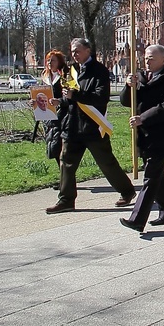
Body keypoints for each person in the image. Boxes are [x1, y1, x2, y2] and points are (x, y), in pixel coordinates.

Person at [46, 38, 136, 214]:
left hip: (92, 126)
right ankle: (66, 200)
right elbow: (69, 97)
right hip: (72, 125)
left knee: (106, 162)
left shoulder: (99, 71)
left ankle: (127, 191)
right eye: (72, 51)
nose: (74, 54)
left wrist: (76, 95)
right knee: (66, 161)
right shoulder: (71, 70)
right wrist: (61, 101)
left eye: (77, 51)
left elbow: (100, 98)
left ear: (88, 50)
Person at [119, 45, 164, 232]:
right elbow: (125, 101)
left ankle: (137, 219)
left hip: (159, 134)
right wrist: (128, 86)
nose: (147, 61)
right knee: (157, 176)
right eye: (145, 57)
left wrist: (143, 118)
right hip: (143, 134)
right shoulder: (142, 77)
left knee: (151, 177)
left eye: (151, 58)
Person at [34, 50, 69, 180]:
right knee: (53, 148)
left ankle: (65, 180)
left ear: (59, 62)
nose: (49, 63)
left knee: (58, 148)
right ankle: (64, 179)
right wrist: (34, 101)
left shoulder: (64, 76)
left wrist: (59, 101)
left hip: (62, 117)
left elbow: (69, 97)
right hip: (48, 117)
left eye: (52, 60)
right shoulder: (45, 77)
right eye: (48, 60)